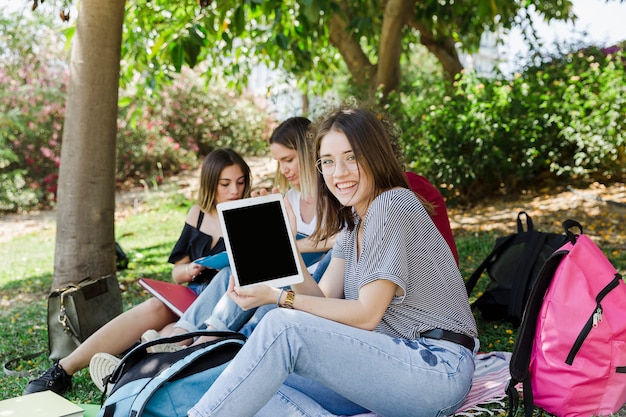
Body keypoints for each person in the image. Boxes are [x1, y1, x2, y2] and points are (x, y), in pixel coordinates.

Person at [187, 107, 478, 417]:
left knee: (280, 326)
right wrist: (285, 241)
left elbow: (366, 315)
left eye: (351, 157)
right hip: (389, 364)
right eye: (327, 161)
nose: (338, 173)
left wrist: (278, 298)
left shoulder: (392, 204)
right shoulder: (354, 222)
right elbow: (321, 301)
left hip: (435, 366)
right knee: (255, 379)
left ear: (376, 156)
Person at [23, 148, 252, 395]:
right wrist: (190, 269)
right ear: (210, 183)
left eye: (240, 183)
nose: (234, 191)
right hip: (190, 295)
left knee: (164, 336)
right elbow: (177, 272)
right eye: (225, 184)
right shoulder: (197, 214)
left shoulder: (251, 212)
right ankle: (63, 369)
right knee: (154, 307)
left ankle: (122, 375)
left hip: (224, 301)